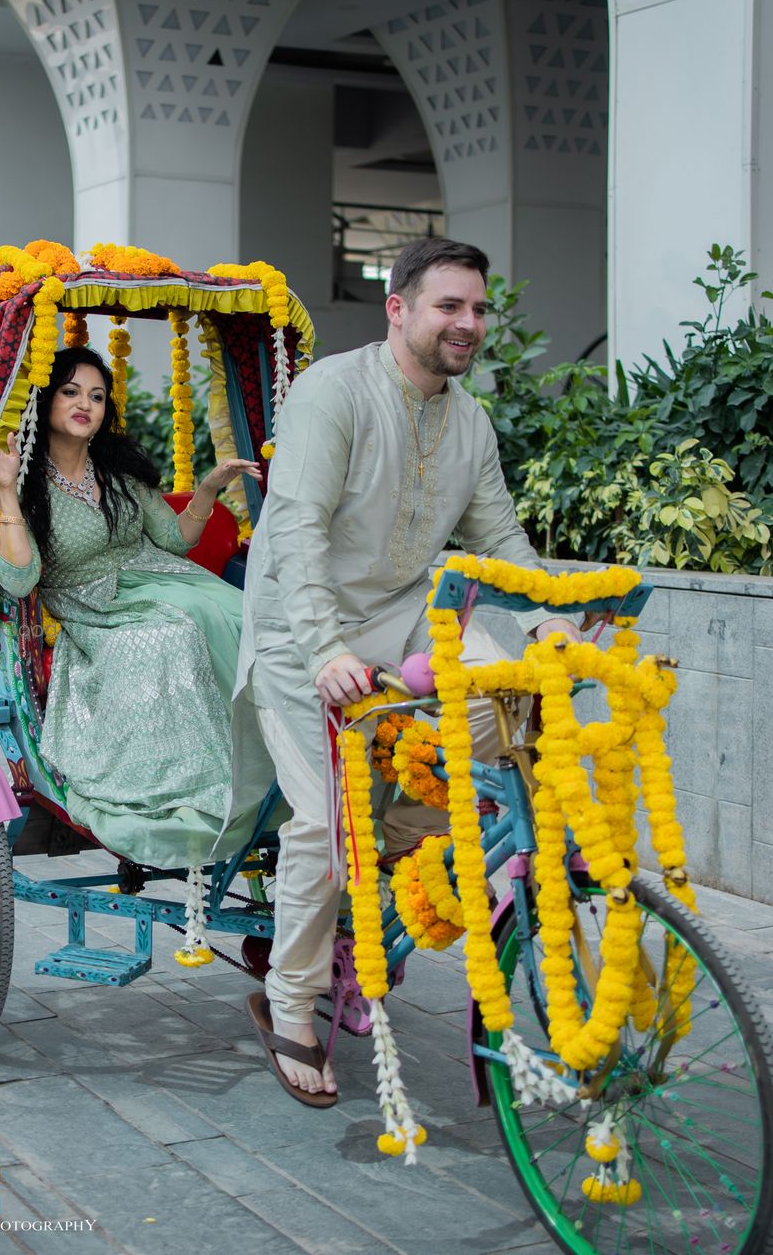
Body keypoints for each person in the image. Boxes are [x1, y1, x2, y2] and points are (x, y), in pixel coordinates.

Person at [237, 237, 588, 1107]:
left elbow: (501, 540)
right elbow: (297, 534)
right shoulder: (333, 392)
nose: (468, 323)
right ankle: (292, 1001)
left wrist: (555, 620)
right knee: (329, 817)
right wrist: (324, 651)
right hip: (296, 627)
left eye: (477, 308)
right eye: (449, 306)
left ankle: (374, 904)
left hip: (397, 617)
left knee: (509, 716)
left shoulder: (469, 418)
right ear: (398, 309)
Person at [0, 345, 274, 870]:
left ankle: (270, 772)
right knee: (174, 633)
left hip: (164, 579)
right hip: (95, 608)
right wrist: (7, 490)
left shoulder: (118, 470)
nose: (85, 404)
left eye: (96, 395)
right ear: (45, 400)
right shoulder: (23, 479)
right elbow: (20, 581)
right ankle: (196, 790)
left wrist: (207, 488)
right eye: (70, 392)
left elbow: (175, 540)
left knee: (243, 614)